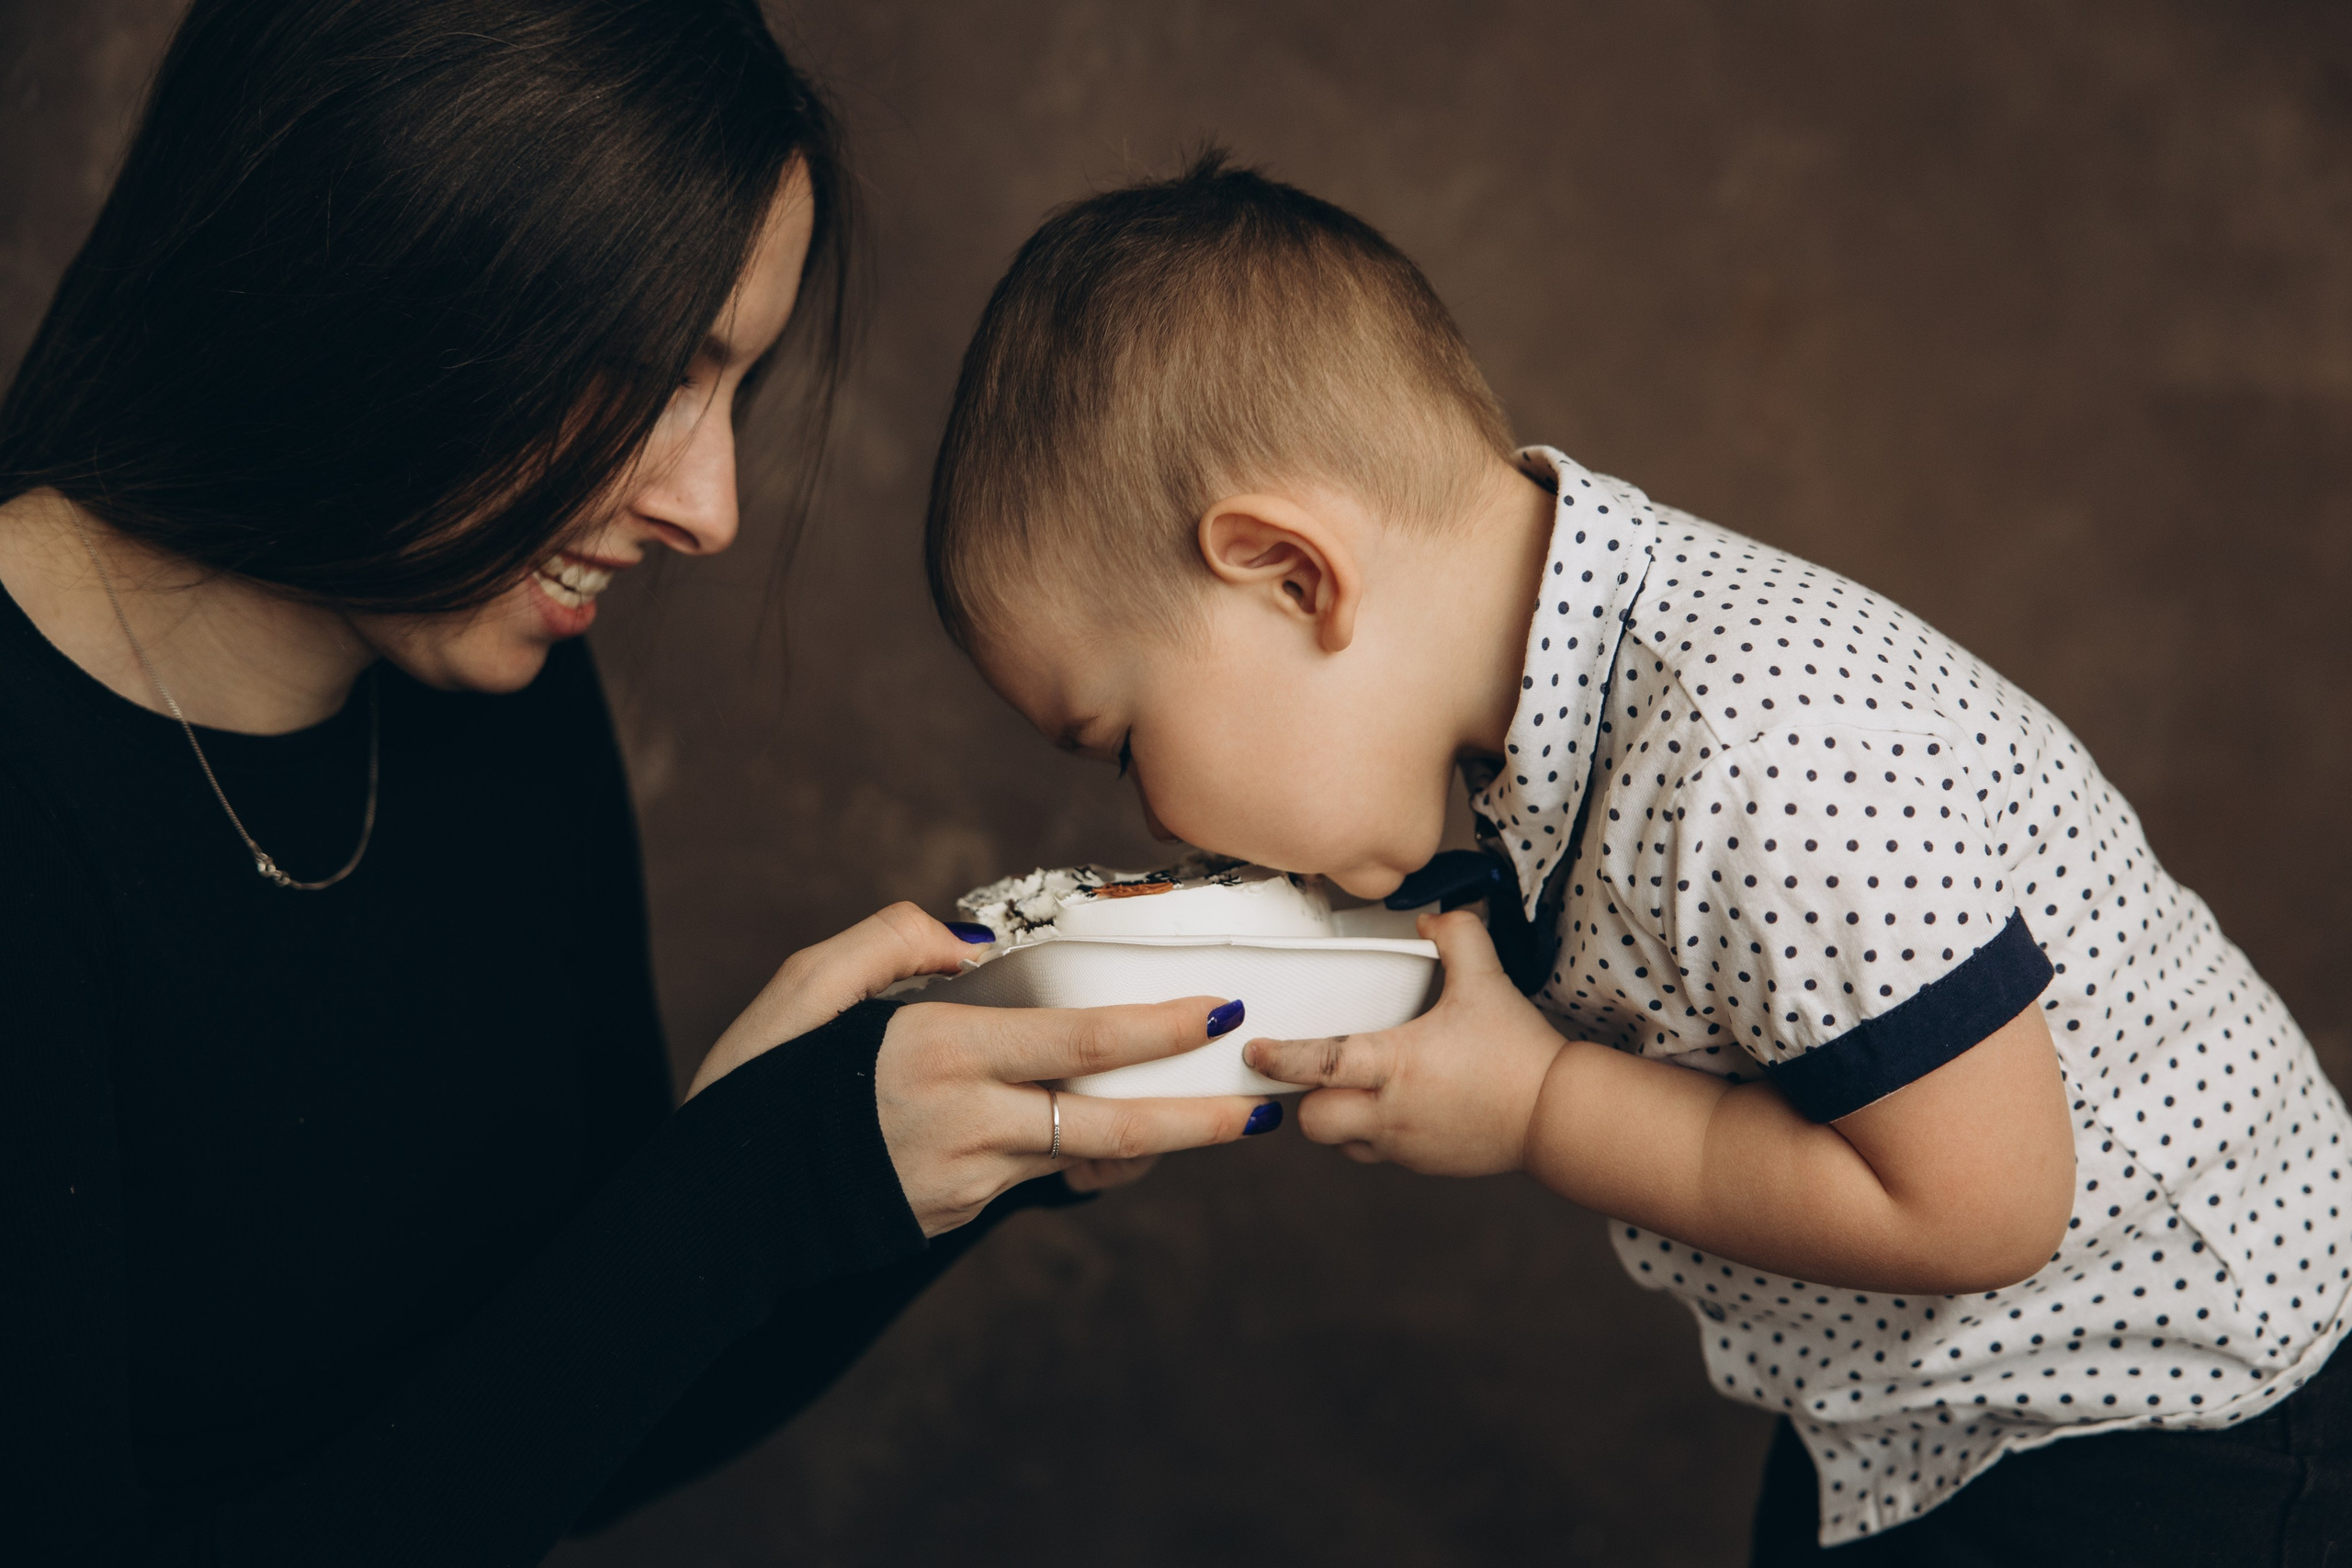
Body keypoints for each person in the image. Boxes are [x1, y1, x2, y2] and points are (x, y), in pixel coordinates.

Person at [921, 152, 2352, 1564]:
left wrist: (1539, 1104)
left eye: (1116, 742)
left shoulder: (1764, 750)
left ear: (1294, 577)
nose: (1155, 817)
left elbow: (1984, 1203)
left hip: (2184, 1410)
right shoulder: (1524, 722)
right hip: (1920, 1414)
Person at [0, 7, 1283, 1565]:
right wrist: (745, 1188)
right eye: (653, 371)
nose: (710, 507)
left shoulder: (489, 677)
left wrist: (998, 1116)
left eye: (735, 389)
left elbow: (556, 1413)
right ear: (373, 274)